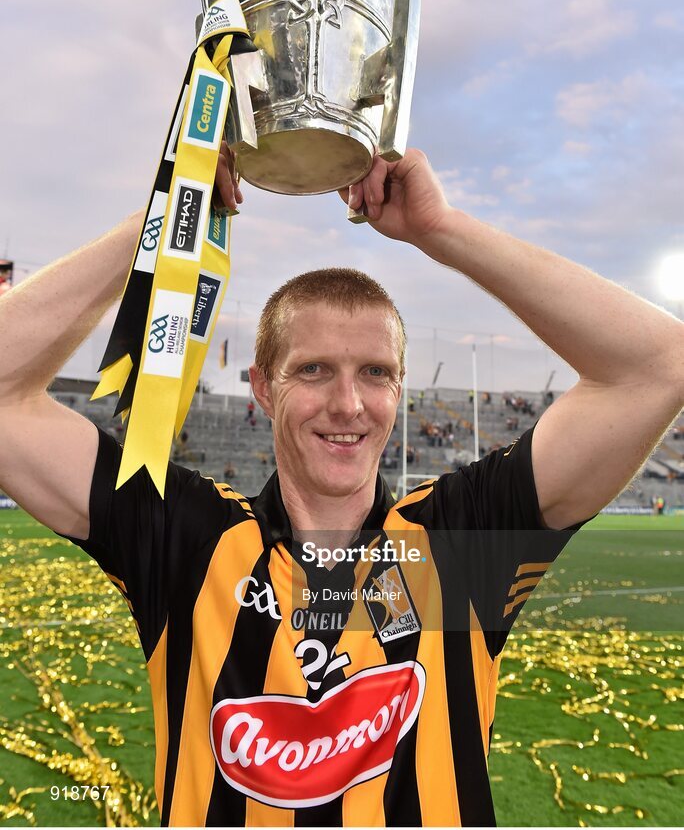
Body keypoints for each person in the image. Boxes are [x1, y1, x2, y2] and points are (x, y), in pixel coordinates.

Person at [0, 147, 682, 827]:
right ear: (264, 388)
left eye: (377, 373)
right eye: (317, 370)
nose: (350, 404)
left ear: (399, 390)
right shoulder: (185, 538)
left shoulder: (461, 541)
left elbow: (659, 365)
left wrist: (440, 230)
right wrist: (163, 219)